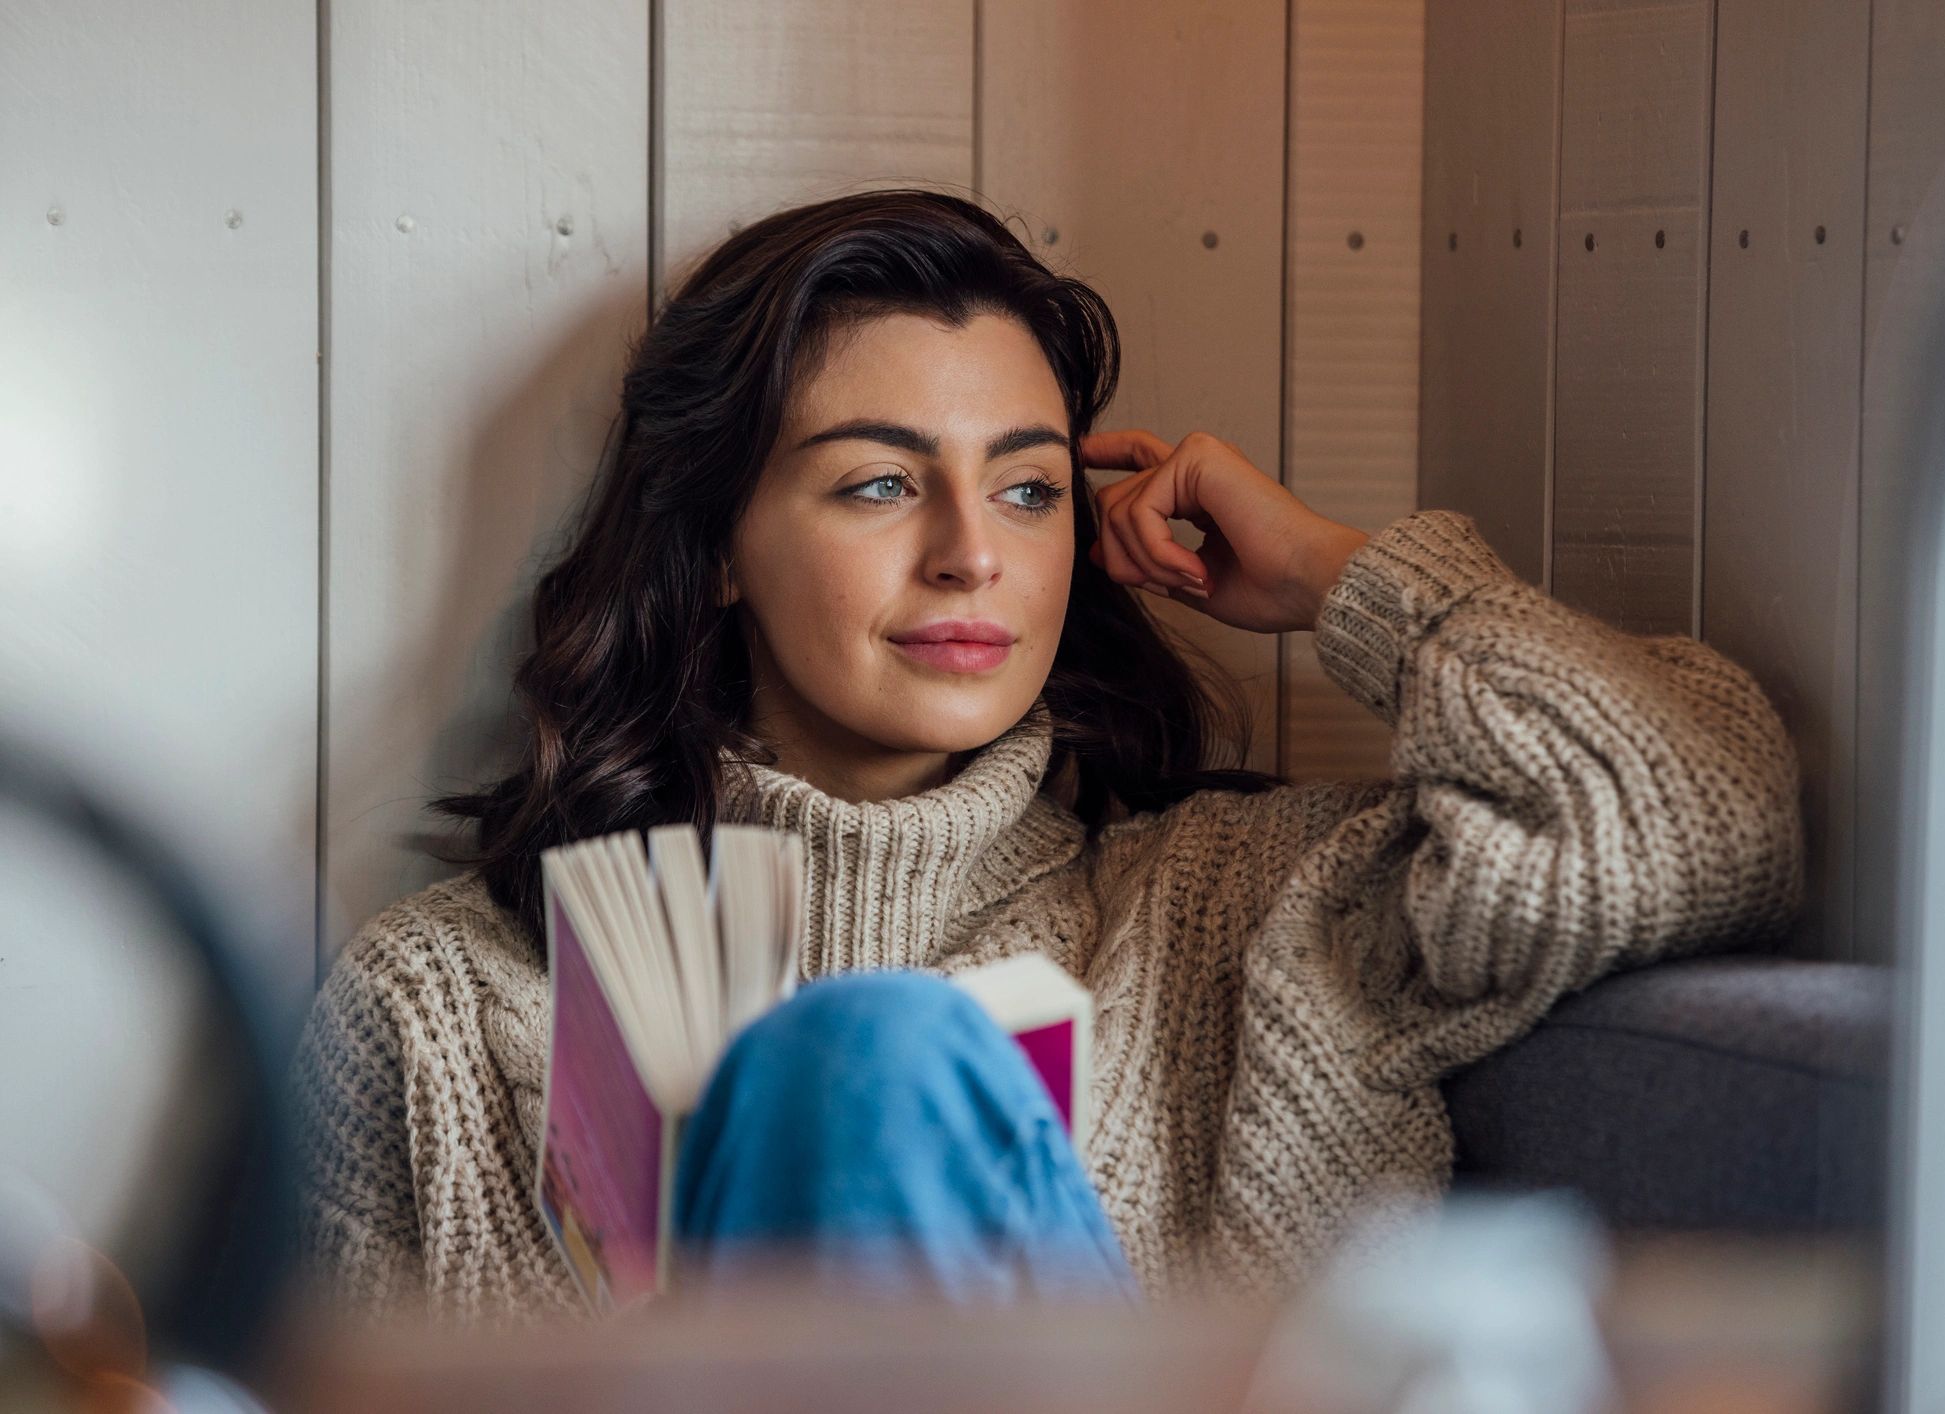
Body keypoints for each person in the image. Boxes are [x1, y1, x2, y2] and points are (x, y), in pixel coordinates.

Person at [288, 187, 1805, 1329]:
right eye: (882, 483)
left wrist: (1347, 582)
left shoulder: (1246, 913)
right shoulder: (449, 1006)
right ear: (719, 551)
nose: (970, 556)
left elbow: (1707, 808)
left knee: (873, 1062)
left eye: (1025, 492)